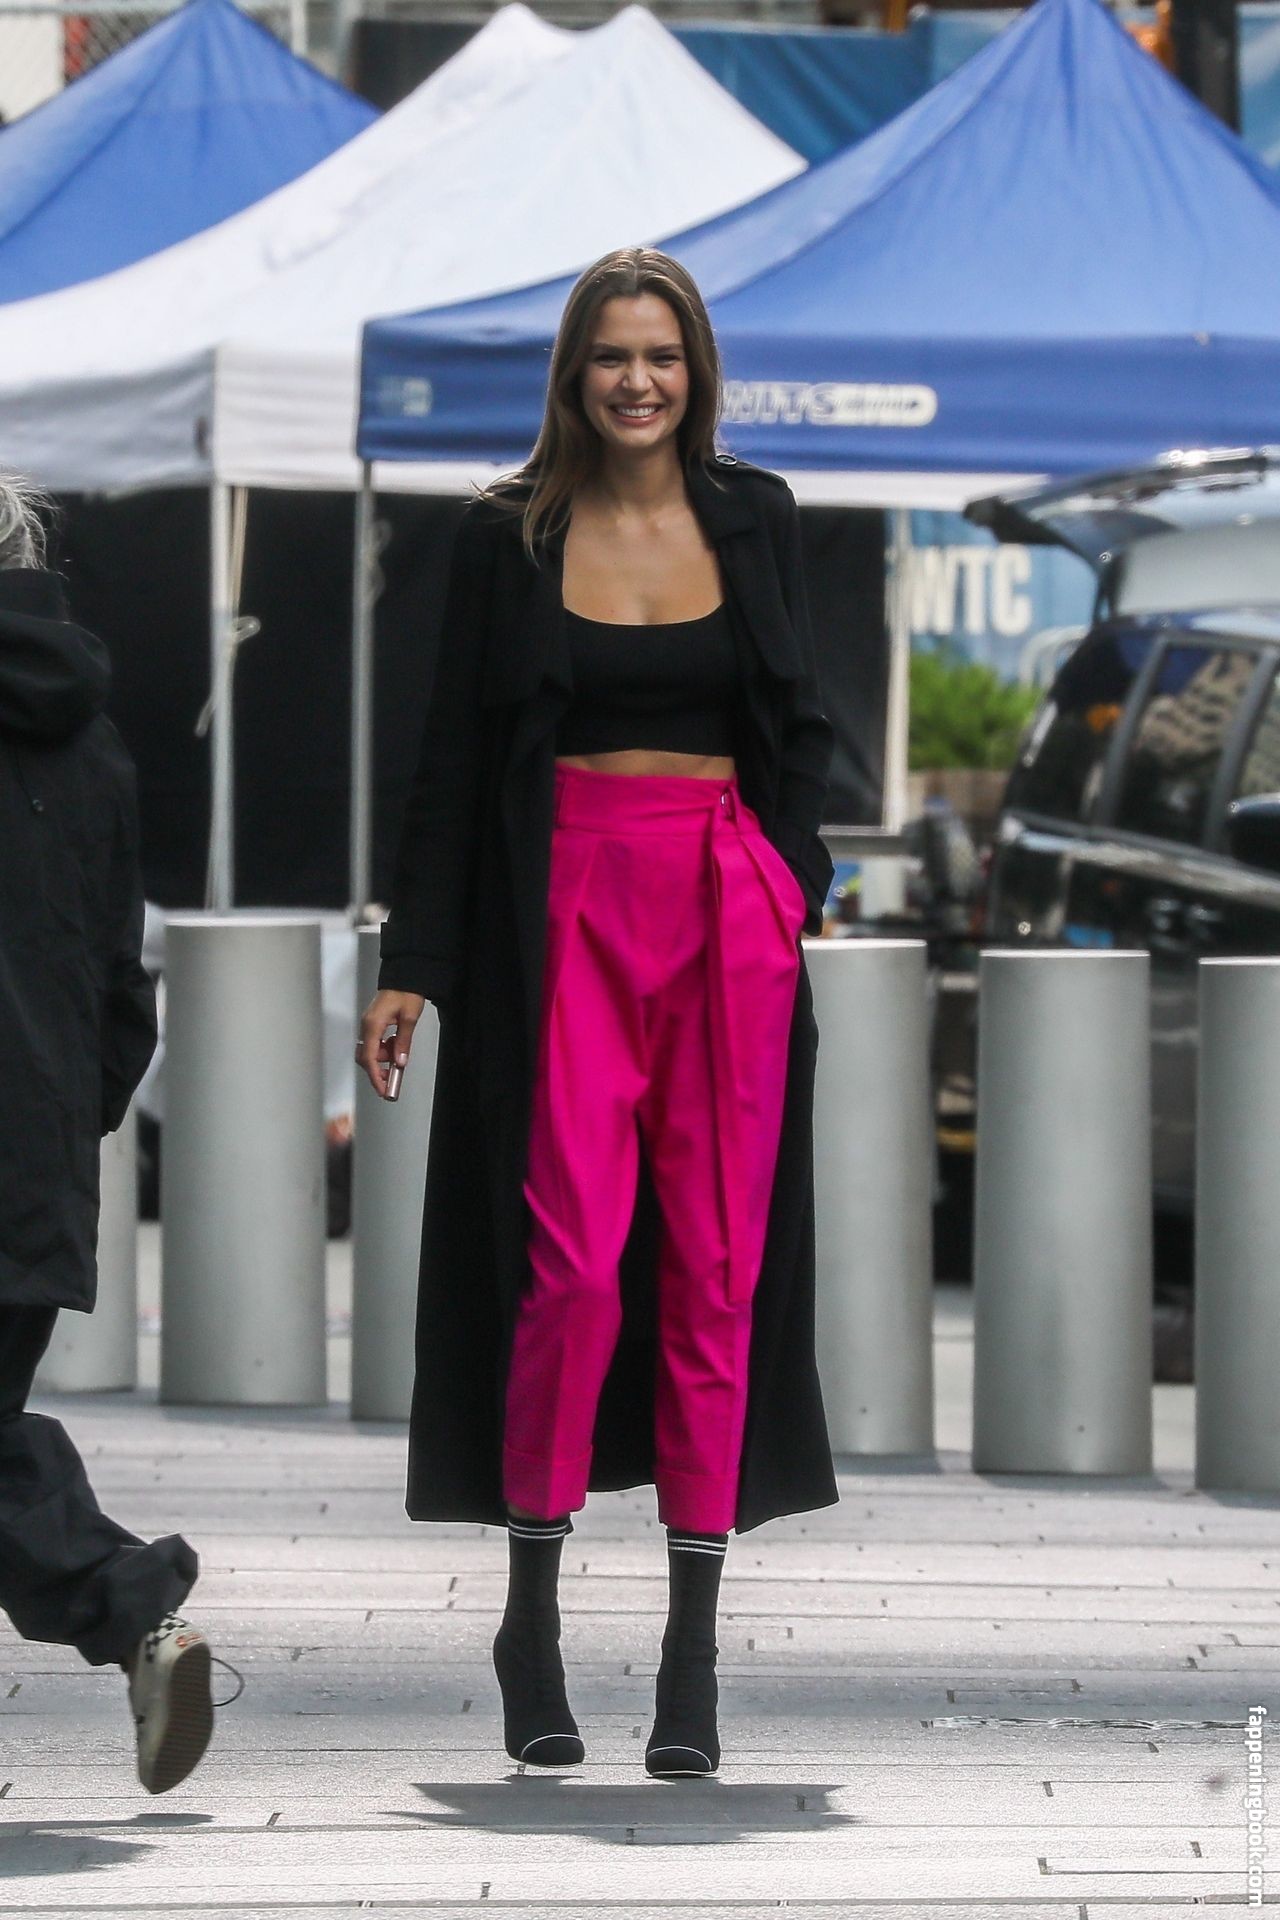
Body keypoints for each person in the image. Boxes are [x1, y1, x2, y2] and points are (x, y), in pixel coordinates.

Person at [359, 247, 838, 1779]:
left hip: (722, 904)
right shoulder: (507, 533)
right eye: (613, 355)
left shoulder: (755, 514)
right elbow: (447, 757)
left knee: (716, 1270)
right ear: (573, 374)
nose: (640, 380)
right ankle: (533, 1623)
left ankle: (692, 1660)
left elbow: (800, 721)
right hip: (559, 906)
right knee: (566, 1270)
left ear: (697, 374)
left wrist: (786, 879)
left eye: (664, 356)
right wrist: (413, 959)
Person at [0, 473, 214, 1794]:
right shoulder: (91, 741)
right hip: (29, 1160)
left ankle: (131, 1605)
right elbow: (122, 995)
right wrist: (56, 1128)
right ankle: (135, 1621)